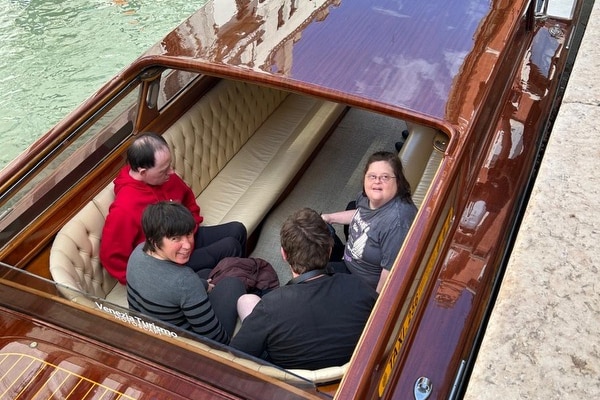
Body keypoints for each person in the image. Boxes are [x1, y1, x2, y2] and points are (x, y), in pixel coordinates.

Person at [230, 208, 377, 370]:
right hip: (352, 374)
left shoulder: (271, 306)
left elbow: (234, 358)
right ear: (329, 251)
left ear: (284, 254)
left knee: (246, 301)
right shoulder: (358, 286)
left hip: (293, 383)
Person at [100, 132, 247, 284]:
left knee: (238, 230)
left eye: (169, 165)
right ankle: (236, 287)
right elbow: (110, 256)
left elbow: (188, 199)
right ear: (143, 172)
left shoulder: (165, 178)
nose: (171, 172)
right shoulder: (124, 208)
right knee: (231, 246)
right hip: (167, 262)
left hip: (188, 237)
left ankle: (241, 278)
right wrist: (144, 281)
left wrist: (191, 228)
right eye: (164, 170)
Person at [126, 201, 246, 344]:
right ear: (155, 241)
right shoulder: (184, 281)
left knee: (206, 272)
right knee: (232, 283)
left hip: (148, 329)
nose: (188, 245)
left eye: (188, 234)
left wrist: (201, 286)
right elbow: (215, 340)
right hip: (183, 344)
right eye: (175, 238)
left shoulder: (138, 252)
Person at [321, 151, 417, 293]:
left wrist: (373, 305)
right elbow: (360, 214)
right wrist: (329, 218)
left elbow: (390, 273)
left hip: (363, 284)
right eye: (372, 176)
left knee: (312, 289)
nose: (377, 181)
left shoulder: (398, 222)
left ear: (397, 181)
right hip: (349, 262)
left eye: (385, 177)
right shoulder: (366, 197)